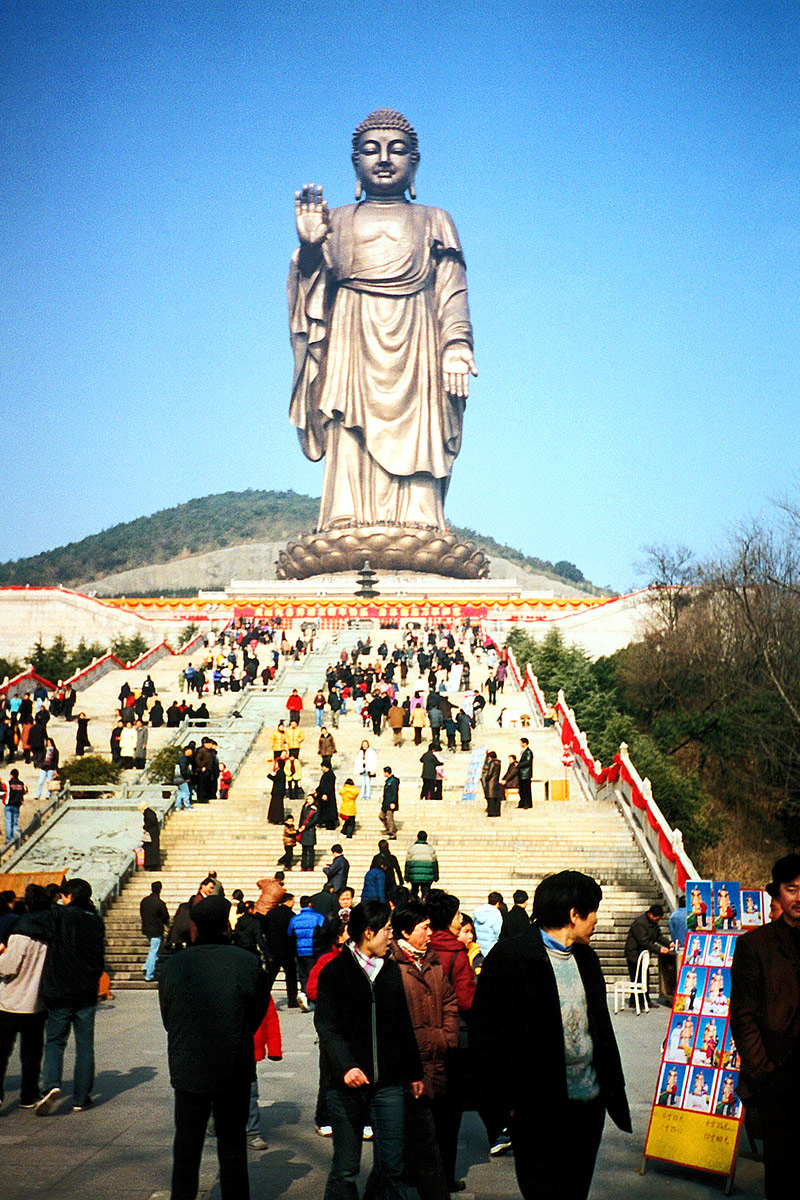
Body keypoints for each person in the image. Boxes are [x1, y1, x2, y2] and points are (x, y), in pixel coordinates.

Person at [289, 110, 476, 534]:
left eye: (397, 150)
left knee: (420, 429)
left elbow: (450, 288)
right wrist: (311, 250)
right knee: (347, 424)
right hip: (352, 335)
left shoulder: (435, 219)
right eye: (371, 150)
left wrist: (457, 346)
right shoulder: (334, 221)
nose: (385, 159)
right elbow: (312, 294)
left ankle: (420, 519)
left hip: (417, 339)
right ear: (356, 163)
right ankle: (344, 515)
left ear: (415, 162)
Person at [471, 870, 631, 1200]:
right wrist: (507, 1105)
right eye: (593, 911)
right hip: (538, 1111)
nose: (597, 920)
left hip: (587, 1105)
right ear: (574, 915)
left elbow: (599, 1028)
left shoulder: (587, 958)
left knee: (575, 1193)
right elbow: (486, 1036)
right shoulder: (511, 957)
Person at [159, 894, 270, 1200]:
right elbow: (258, 1010)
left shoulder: (174, 964)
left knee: (187, 1146)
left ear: (193, 926)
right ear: (226, 925)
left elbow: (168, 1016)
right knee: (233, 1147)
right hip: (233, 1066)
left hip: (188, 1068)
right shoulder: (247, 962)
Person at [314, 900, 424, 1200]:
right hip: (344, 1085)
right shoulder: (335, 972)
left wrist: (414, 1072)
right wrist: (347, 1066)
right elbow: (328, 1027)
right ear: (368, 932)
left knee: (392, 1165)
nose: (392, 936)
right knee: (346, 1167)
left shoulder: (390, 971)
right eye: (387, 930)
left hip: (388, 1084)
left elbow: (403, 1023)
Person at [730, 853, 800, 1198]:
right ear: (779, 895)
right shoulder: (754, 946)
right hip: (779, 1079)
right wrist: (763, 1073)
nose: (799, 898)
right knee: (783, 1174)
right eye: (792, 889)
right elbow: (743, 1016)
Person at [390, 901, 459, 1200]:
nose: (430, 933)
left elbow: (449, 1001)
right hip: (407, 1063)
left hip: (436, 1056)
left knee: (424, 1131)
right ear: (406, 931)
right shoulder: (392, 965)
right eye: (424, 928)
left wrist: (446, 1037)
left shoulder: (432, 962)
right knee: (418, 1134)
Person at [33, 878, 106, 1115]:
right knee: (85, 1045)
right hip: (86, 991)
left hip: (60, 989)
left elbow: (37, 921)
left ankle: (51, 1085)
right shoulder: (96, 921)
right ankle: (81, 1097)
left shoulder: (61, 915)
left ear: (70, 897)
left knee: (55, 1040)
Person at [0, 883, 51, 1108]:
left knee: (2, 1052)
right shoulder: (50, 934)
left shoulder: (21, 934)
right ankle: (29, 1095)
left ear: (27, 905)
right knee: (32, 1055)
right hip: (36, 1003)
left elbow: (7, 967)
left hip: (10, 1002)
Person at [624, 904, 672, 1005]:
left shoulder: (653, 923)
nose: (657, 920)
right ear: (651, 914)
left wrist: (668, 943)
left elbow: (658, 936)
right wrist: (659, 949)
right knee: (637, 978)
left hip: (644, 955)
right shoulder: (640, 923)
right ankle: (637, 1001)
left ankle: (644, 1000)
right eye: (656, 918)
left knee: (645, 977)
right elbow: (644, 941)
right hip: (634, 954)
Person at [263, 893, 300, 1008]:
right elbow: (293, 934)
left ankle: (264, 998)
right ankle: (292, 1000)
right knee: (291, 976)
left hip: (273, 950)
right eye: (293, 901)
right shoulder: (291, 915)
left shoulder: (271, 913)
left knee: (270, 976)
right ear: (288, 901)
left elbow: (265, 929)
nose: (293, 903)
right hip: (287, 950)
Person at [289, 897, 326, 1007]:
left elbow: (290, 933)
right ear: (310, 904)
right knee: (313, 974)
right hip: (314, 950)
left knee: (303, 975)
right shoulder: (318, 917)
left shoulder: (295, 919)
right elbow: (323, 932)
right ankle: (312, 997)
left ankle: (304, 993)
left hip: (299, 951)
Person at [140, 881, 170, 982]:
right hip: (156, 929)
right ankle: (149, 974)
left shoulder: (144, 901)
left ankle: (146, 966)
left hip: (146, 928)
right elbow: (166, 917)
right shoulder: (159, 903)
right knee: (154, 951)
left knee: (153, 949)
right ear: (160, 889)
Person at [404, 830, 439, 900]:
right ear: (426, 838)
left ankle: (414, 906)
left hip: (414, 876)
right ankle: (425, 904)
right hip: (427, 876)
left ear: (417, 838)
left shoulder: (412, 849)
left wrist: (406, 877)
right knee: (426, 893)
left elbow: (407, 864)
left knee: (414, 892)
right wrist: (436, 876)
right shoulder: (430, 849)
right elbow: (435, 864)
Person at [472, 893, 504, 958]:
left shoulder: (479, 911)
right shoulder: (496, 913)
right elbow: (497, 932)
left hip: (478, 945)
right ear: (498, 903)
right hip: (490, 945)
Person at [4, 768, 27, 843]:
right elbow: (25, 790)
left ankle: (9, 840)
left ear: (11, 775)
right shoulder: (21, 784)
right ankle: (15, 838)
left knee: (8, 822)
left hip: (9, 805)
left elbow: (3, 791)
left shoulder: (8, 783)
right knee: (15, 823)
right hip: (17, 805)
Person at [298, 794, 319, 872]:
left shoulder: (315, 809)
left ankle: (310, 866)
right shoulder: (305, 808)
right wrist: (300, 827)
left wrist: (305, 826)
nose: (308, 800)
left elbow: (315, 820)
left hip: (310, 830)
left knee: (310, 850)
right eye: (307, 799)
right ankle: (303, 866)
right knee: (304, 850)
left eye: (310, 799)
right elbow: (301, 818)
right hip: (303, 831)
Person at [140, 803, 161, 871]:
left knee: (150, 850)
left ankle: (151, 864)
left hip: (152, 834)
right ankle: (153, 864)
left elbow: (151, 822)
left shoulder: (148, 813)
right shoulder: (150, 813)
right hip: (154, 833)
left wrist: (145, 827)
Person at [481, 750, 502, 817]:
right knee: (496, 798)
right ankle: (497, 812)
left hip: (491, 782)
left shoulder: (492, 763)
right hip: (496, 781)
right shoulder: (498, 763)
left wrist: (486, 778)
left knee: (491, 798)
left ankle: (491, 812)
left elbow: (490, 773)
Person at [380, 766, 399, 838]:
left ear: (387, 772)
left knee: (389, 818)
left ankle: (392, 833)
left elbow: (394, 792)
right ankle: (391, 828)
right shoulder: (388, 781)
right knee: (381, 816)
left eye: (384, 772)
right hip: (385, 803)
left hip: (390, 803)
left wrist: (393, 802)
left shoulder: (393, 781)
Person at [517, 738, 533, 808]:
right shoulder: (523, 751)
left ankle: (527, 803)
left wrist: (519, 764)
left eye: (521, 743)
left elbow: (528, 761)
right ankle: (522, 802)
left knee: (526, 790)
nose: (520, 744)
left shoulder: (528, 752)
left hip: (526, 773)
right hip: (521, 773)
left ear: (525, 743)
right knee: (522, 789)